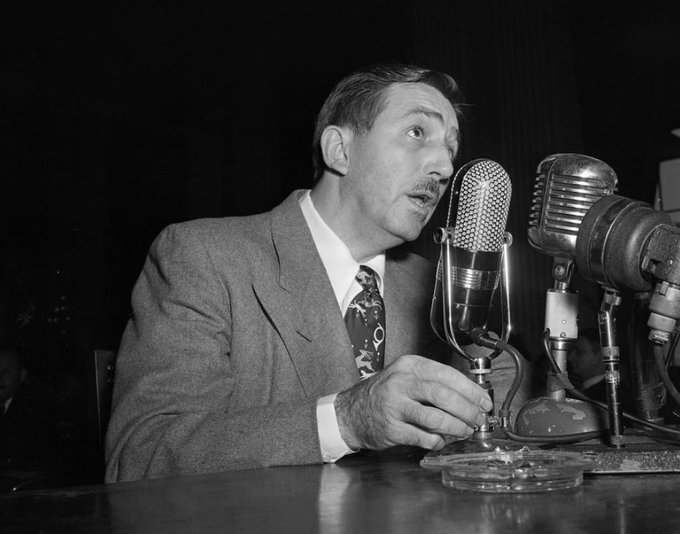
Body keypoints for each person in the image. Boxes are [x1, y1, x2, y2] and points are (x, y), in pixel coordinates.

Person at [105, 63, 500, 482]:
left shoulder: (441, 285)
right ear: (339, 151)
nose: (444, 168)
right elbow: (140, 457)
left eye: (451, 151)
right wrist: (346, 420)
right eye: (417, 133)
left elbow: (516, 407)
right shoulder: (204, 256)